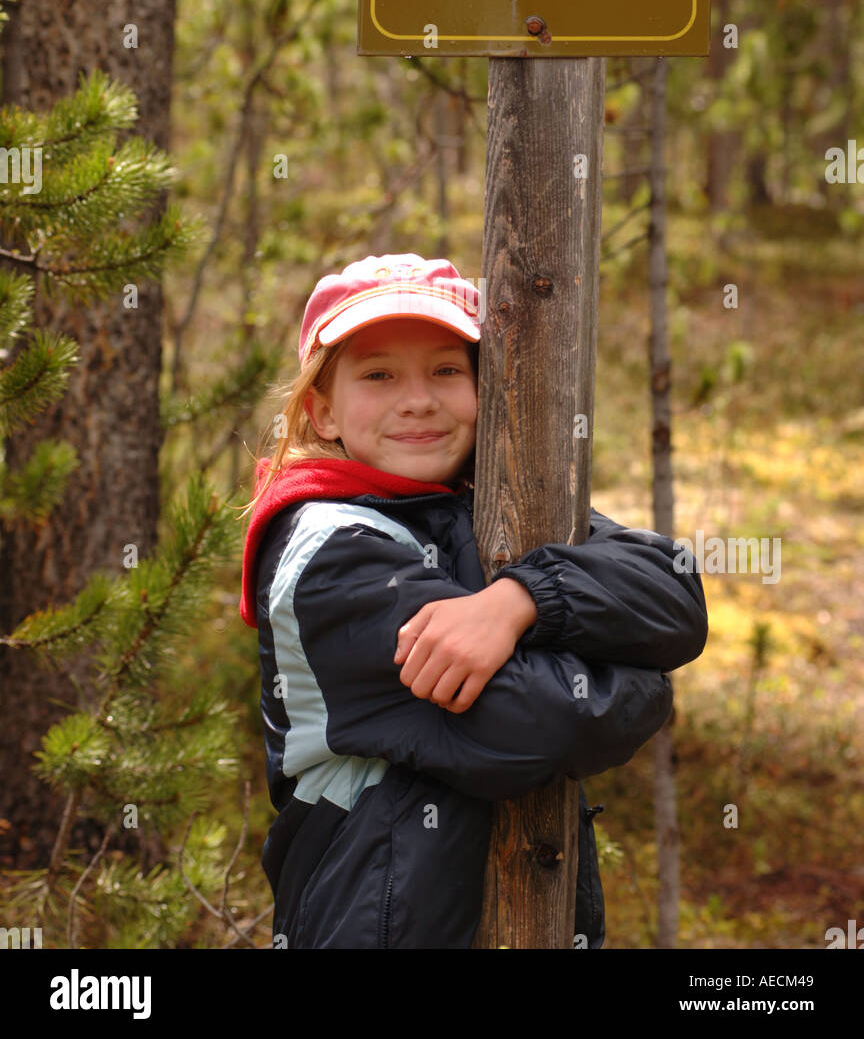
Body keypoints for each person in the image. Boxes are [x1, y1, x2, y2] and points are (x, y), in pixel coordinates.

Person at [238, 253, 708, 949]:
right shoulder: (325, 552)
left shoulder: (497, 507)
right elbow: (534, 725)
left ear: (484, 388)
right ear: (322, 410)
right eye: (378, 375)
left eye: (446, 370)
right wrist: (644, 679)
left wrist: (520, 599)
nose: (418, 399)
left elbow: (673, 591)